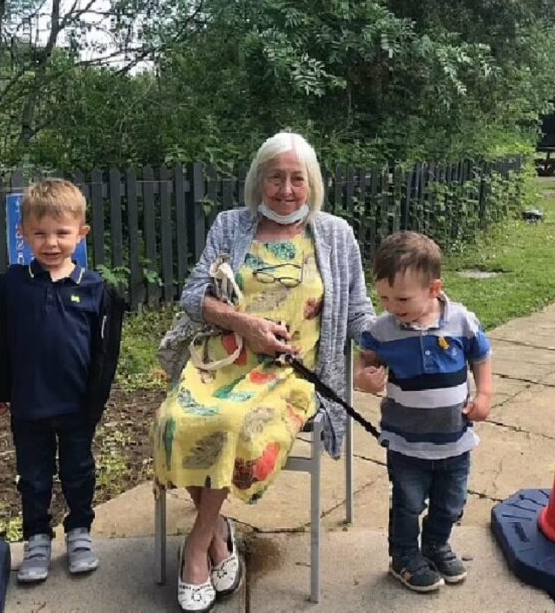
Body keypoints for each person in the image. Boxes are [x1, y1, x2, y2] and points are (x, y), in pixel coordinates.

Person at [153, 132, 385, 612]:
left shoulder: (335, 234)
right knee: (173, 420)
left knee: (232, 423)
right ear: (258, 181)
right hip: (220, 361)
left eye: (297, 179)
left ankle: (197, 545)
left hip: (290, 374)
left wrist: (380, 351)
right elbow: (194, 295)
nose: (285, 189)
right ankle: (218, 535)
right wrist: (244, 324)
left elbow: (358, 311)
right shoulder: (230, 225)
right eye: (275, 178)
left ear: (312, 183)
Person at [0, 179, 124, 584]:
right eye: (39, 233)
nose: (51, 243)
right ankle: (36, 538)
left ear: (81, 233)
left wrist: (96, 398)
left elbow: (104, 352)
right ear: (23, 234)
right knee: (33, 477)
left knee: (78, 471)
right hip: (29, 404)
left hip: (75, 405)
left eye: (61, 233)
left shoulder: (95, 289)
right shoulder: (10, 288)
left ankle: (79, 531)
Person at [354, 231, 493, 593]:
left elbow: (481, 356)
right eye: (383, 297)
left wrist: (485, 394)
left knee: (451, 504)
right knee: (408, 504)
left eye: (401, 298)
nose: (391, 306)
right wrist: (363, 378)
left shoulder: (461, 321)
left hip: (455, 440)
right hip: (407, 443)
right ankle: (403, 556)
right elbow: (364, 361)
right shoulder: (382, 330)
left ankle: (435, 545)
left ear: (434, 289)